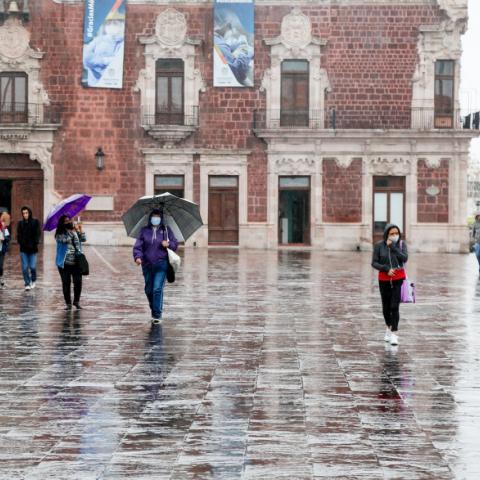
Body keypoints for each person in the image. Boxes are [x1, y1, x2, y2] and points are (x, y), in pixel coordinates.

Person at [133, 209, 178, 324]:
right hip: (147, 265)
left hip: (161, 264)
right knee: (148, 290)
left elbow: (175, 244)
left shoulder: (166, 230)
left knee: (157, 289)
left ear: (161, 218)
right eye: (154, 216)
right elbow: (138, 246)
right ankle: (154, 309)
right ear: (150, 218)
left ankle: (157, 315)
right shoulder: (144, 231)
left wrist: (168, 244)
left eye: (158, 216)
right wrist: (138, 257)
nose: (156, 218)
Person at [371, 224, 408, 346]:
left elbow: (404, 258)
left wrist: (393, 247)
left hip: (398, 279)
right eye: (392, 233)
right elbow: (374, 263)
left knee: (394, 306)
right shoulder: (379, 246)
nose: (394, 236)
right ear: (387, 234)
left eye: (396, 233)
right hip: (384, 279)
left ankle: (394, 334)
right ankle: (388, 327)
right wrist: (386, 269)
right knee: (386, 307)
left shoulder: (401, 245)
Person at [55, 215, 86, 310]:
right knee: (66, 283)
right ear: (62, 223)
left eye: (69, 220)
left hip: (76, 261)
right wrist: (72, 232)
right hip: (64, 263)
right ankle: (68, 303)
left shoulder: (74, 231)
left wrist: (80, 229)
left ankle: (76, 301)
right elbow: (64, 240)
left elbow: (83, 239)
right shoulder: (59, 233)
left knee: (78, 282)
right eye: (66, 221)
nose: (68, 222)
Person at [16, 206, 41, 291]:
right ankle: (27, 283)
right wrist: (21, 242)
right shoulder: (20, 223)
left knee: (33, 267)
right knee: (24, 267)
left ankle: (33, 280)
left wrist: (35, 242)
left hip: (33, 249)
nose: (25, 215)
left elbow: (38, 233)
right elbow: (18, 235)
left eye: (26, 213)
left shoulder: (35, 222)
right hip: (24, 249)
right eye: (23, 213)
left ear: (29, 213)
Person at [0, 211, 11, 287]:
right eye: (3, 221)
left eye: (5, 221)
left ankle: (1, 278)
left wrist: (4, 238)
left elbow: (8, 238)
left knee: (0, 265)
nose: (4, 223)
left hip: (1, 250)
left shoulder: (6, 229)